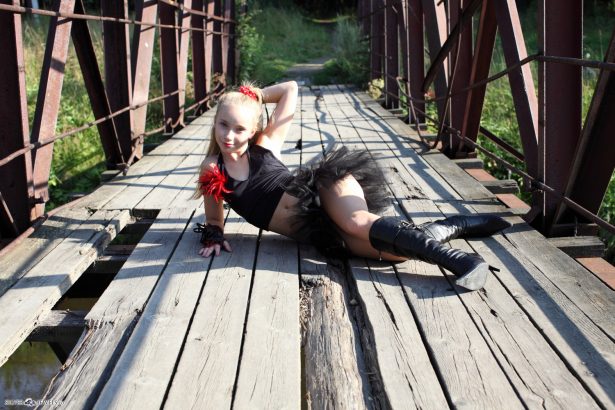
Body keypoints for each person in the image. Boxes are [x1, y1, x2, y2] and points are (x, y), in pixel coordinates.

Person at [193, 81, 511, 290]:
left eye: (239, 128)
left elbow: (290, 88)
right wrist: (214, 235)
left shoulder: (265, 144)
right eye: (223, 124)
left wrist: (251, 97)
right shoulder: (213, 168)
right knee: (396, 256)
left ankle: (461, 261)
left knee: (356, 221)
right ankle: (449, 226)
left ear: (252, 131)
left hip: (325, 189)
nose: (229, 135)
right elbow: (214, 218)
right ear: (215, 122)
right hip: (314, 230)